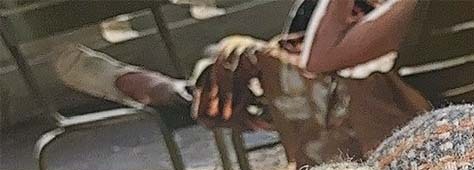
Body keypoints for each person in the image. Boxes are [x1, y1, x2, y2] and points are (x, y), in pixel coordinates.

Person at [53, 0, 419, 120]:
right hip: (405, 79)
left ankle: (166, 92)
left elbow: (318, 60)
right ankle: (177, 92)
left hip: (373, 101)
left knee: (247, 64)